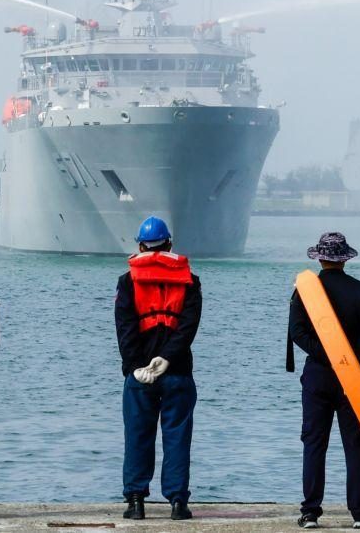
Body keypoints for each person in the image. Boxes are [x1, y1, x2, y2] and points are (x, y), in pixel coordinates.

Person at [288, 232, 360, 530]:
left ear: (319, 257)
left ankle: (311, 512)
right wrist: (349, 361)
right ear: (345, 259)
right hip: (353, 376)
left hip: (317, 374)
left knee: (314, 443)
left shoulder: (304, 291)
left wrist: (325, 355)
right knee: (355, 445)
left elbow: (297, 332)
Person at [115, 216, 201, 521]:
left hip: (139, 376)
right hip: (177, 371)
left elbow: (125, 328)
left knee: (138, 437)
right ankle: (178, 503)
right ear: (169, 245)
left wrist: (136, 366)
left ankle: (136, 501)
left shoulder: (128, 281)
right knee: (177, 437)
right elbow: (188, 326)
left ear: (140, 245)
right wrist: (166, 358)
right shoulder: (190, 279)